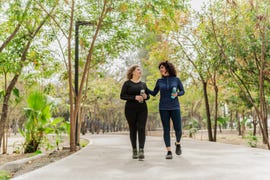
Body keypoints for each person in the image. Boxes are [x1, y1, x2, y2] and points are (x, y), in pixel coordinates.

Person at [147, 61, 185, 159]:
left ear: (167, 68)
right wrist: (145, 88)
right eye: (160, 68)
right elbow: (154, 93)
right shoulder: (159, 81)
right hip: (163, 107)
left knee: (178, 129)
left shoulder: (176, 80)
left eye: (162, 67)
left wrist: (177, 94)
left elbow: (182, 91)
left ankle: (178, 143)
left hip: (175, 106)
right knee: (166, 129)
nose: (160, 69)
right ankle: (169, 151)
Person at [120, 65, 150, 160]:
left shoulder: (143, 84)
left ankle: (141, 150)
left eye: (140, 70)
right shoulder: (127, 84)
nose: (140, 71)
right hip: (130, 109)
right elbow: (122, 96)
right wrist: (134, 97)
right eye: (138, 69)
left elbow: (148, 96)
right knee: (133, 129)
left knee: (141, 128)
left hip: (142, 109)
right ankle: (134, 150)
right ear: (133, 72)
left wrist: (145, 96)